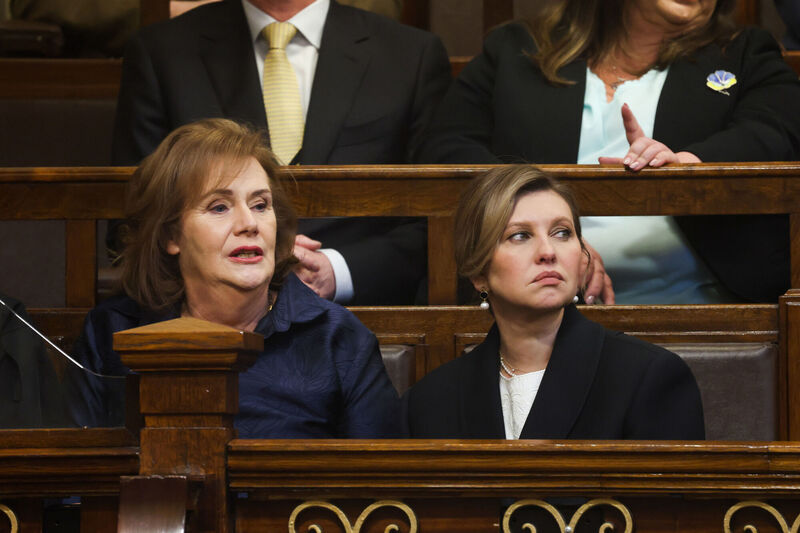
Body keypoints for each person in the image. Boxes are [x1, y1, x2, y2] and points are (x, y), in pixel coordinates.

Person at [415, 0, 800, 304]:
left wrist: (688, 166)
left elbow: (775, 130)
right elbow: (446, 146)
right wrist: (556, 237)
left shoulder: (743, 53)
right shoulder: (516, 51)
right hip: (531, 304)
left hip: (697, 304)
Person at [66, 119, 401, 438]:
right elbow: (76, 487)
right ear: (171, 236)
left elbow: (381, 490)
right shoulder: (112, 332)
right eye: (219, 207)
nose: (249, 224)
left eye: (260, 205)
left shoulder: (339, 339)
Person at [111, 0, 452, 305]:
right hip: (202, 311)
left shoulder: (410, 54)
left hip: (370, 310)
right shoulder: (163, 51)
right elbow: (136, 214)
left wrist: (337, 270)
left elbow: (440, 214)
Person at [404, 166, 705, 440]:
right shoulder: (428, 401)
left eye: (562, 233)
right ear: (479, 274)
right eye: (520, 236)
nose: (548, 251)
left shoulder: (650, 378)